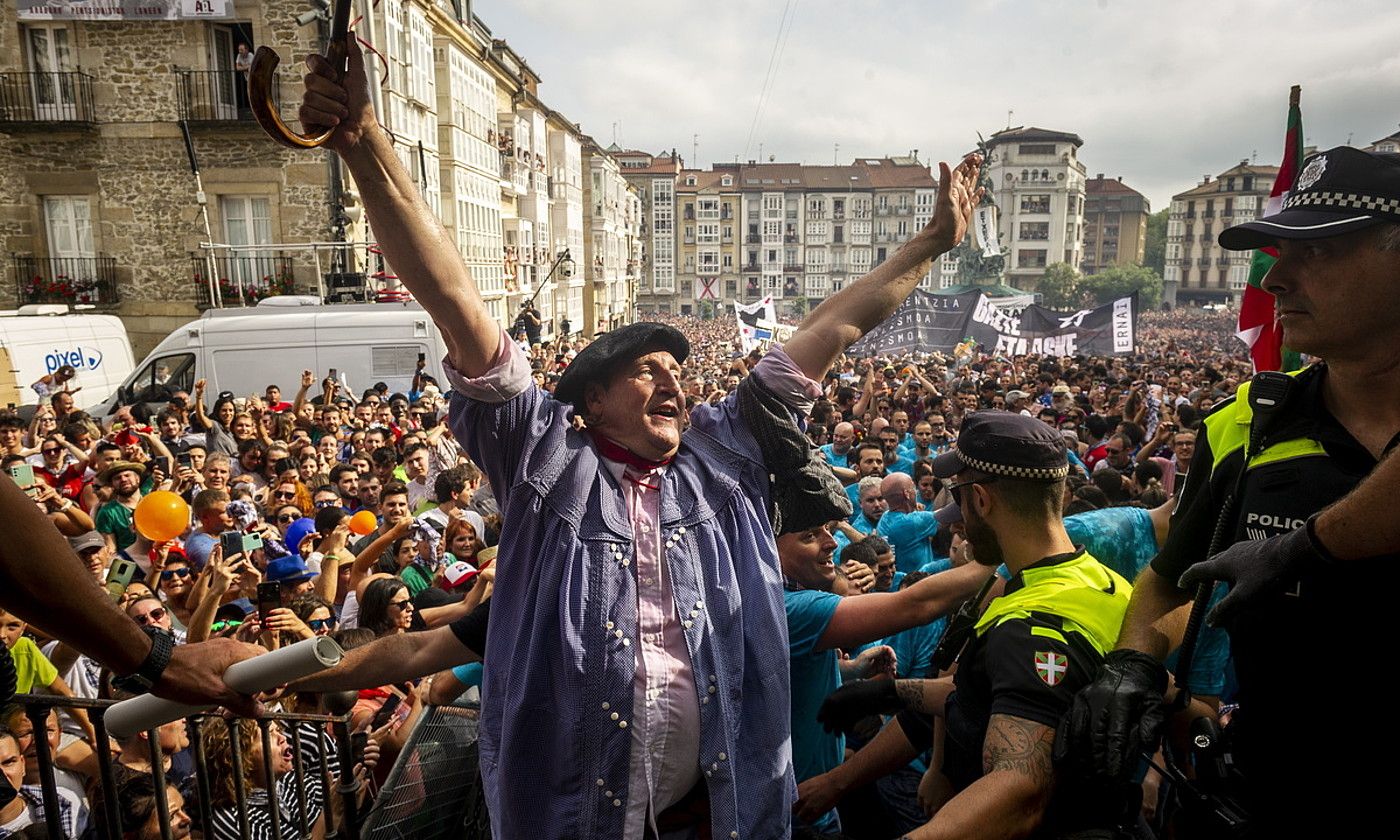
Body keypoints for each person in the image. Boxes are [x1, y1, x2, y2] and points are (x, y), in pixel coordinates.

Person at [295, 34, 983, 840]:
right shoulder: (545, 455)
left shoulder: (725, 454)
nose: (674, 383)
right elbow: (456, 302)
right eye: (648, 370)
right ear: (589, 397)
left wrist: (933, 242)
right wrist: (366, 144)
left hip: (725, 817)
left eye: (678, 371)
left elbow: (836, 324)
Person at [1062, 146, 1400, 833]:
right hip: (1270, 795)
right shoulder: (1245, 422)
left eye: (1319, 252)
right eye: (1278, 253)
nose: (1275, 280)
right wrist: (1133, 663)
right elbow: (1170, 582)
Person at [808, 413, 1133, 838]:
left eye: (957, 495)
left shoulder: (1032, 626)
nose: (955, 515)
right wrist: (885, 698)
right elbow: (978, 697)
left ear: (980, 500)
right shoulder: (1104, 581)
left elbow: (1020, 792)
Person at [1, 474, 262, 717]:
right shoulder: (54, 645)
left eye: (157, 614)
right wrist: (158, 664)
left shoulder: (173, 637)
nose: (151, 622)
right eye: (139, 621)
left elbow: (196, 645)